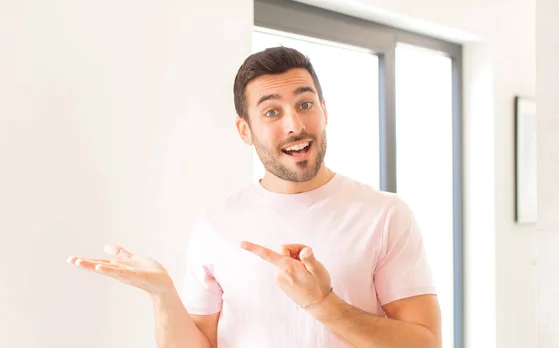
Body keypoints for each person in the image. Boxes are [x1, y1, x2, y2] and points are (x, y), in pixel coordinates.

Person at [67, 46, 442, 348]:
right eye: (272, 112)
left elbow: (425, 343)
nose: (294, 124)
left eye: (305, 104)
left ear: (324, 111)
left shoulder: (385, 215)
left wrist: (323, 303)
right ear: (244, 130)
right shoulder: (216, 226)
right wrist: (162, 295)